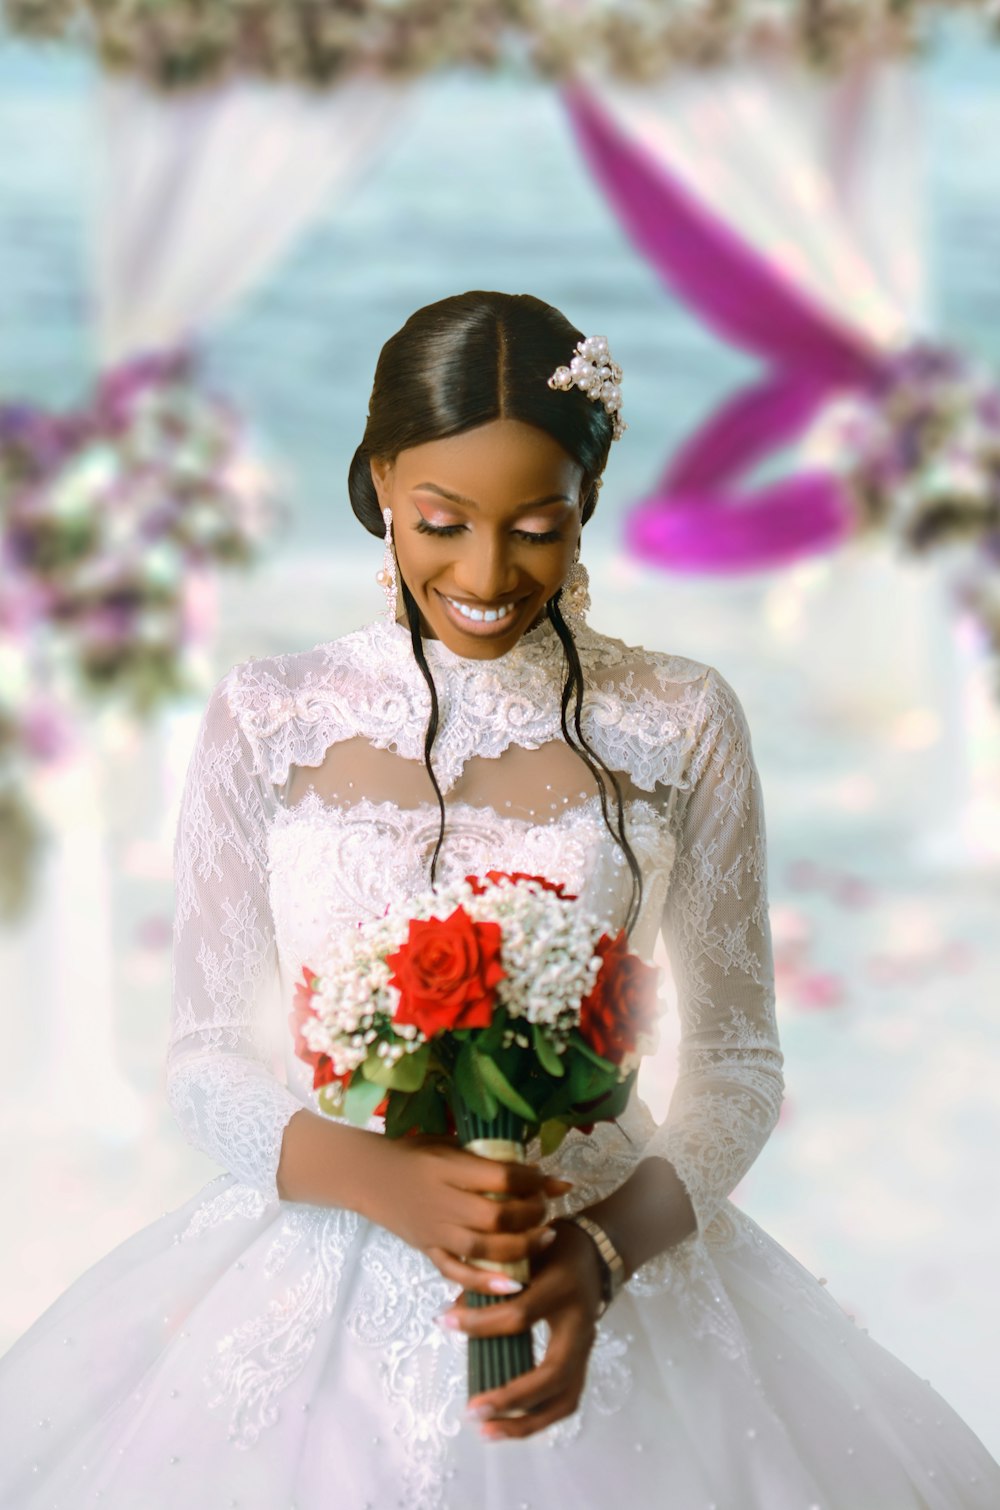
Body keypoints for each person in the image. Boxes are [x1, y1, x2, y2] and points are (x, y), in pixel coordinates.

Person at [0, 290, 996, 1510]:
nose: (483, 573)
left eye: (537, 525)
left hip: (590, 1259)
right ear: (378, 482)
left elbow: (738, 1061)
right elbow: (205, 1062)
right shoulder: (271, 716)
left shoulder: (680, 720)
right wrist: (382, 1180)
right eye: (439, 520)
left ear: (587, 502)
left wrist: (603, 1248)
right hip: (320, 1262)